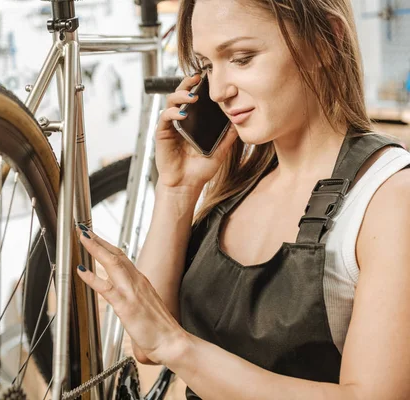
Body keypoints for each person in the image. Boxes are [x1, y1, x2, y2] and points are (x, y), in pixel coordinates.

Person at [75, 0, 410, 398]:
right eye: (208, 66)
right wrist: (177, 191)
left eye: (242, 58)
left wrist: (179, 347)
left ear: (325, 42)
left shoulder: (388, 199)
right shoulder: (239, 185)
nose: (218, 91)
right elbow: (149, 346)